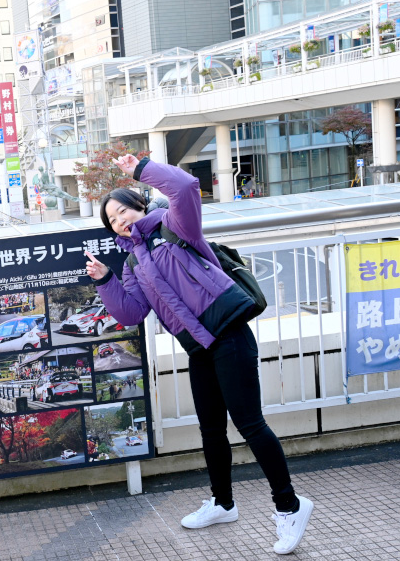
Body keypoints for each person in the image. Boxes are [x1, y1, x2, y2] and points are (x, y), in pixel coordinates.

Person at [85, 155, 313, 556]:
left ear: (139, 205)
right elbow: (131, 313)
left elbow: (186, 187)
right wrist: (106, 280)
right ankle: (223, 503)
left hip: (228, 334)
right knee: (210, 429)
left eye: (123, 210)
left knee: (250, 424)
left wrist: (141, 168)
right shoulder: (132, 263)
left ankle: (290, 506)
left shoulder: (175, 225)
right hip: (198, 347)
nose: (120, 220)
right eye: (112, 220)